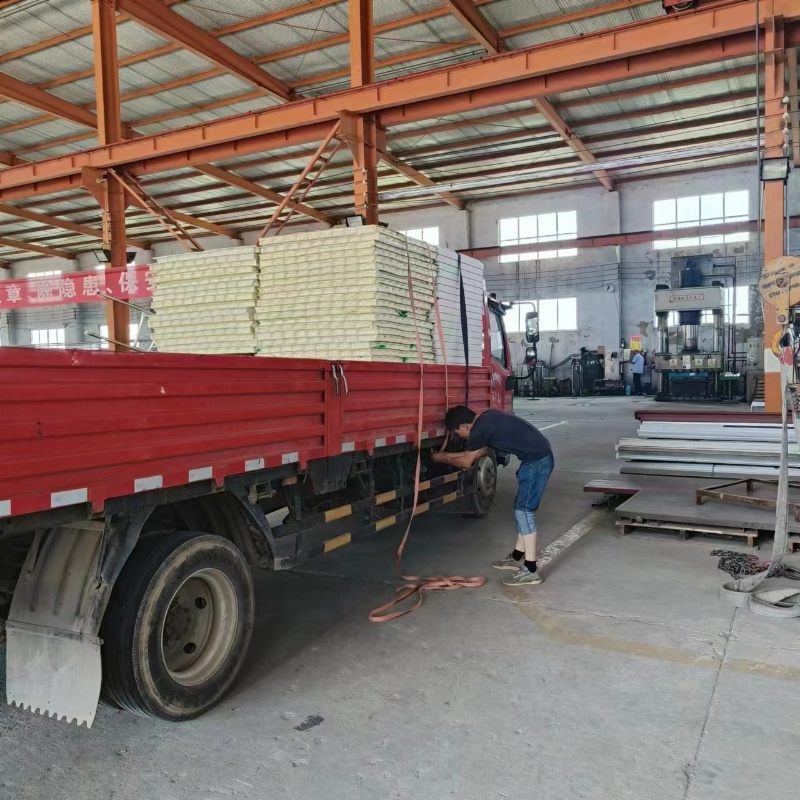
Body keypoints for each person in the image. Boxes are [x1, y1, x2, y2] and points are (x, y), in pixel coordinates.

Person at [431, 406, 554, 586]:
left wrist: (440, 458)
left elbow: (466, 461)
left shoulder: (479, 430)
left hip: (537, 462)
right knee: (520, 508)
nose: (460, 437)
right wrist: (447, 455)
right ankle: (517, 556)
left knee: (524, 511)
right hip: (536, 458)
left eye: (457, 433)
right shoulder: (486, 419)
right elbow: (477, 453)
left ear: (465, 426)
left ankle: (530, 570)